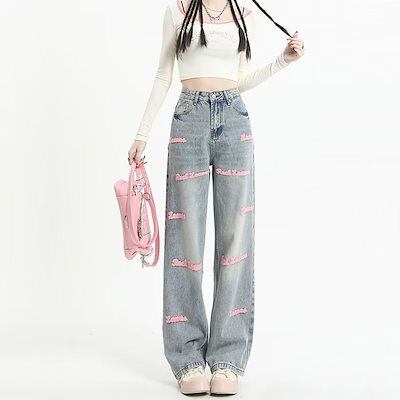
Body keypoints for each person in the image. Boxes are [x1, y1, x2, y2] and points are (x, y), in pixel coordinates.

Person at [127, 0, 304, 395]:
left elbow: (238, 79)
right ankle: (187, 357)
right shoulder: (177, 10)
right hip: (187, 120)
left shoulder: (246, 13)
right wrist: (142, 133)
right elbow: (163, 74)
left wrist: (283, 61)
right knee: (185, 241)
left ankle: (227, 358)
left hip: (234, 119)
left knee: (235, 240)